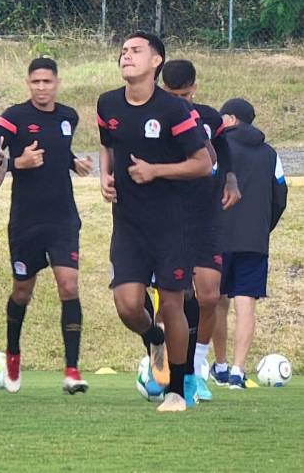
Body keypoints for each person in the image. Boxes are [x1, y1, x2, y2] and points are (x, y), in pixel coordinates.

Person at [97, 31, 212, 412]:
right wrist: (105, 176)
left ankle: (177, 390)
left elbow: (203, 163)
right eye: (123, 51)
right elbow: (106, 143)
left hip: (170, 224)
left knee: (173, 303)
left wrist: (156, 170)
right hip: (128, 223)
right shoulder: (108, 103)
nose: (126, 56)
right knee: (128, 305)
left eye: (135, 51)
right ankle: (154, 337)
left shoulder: (173, 110)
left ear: (156, 61)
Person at [0, 57, 93, 394]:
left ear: (57, 83)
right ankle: (12, 353)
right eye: (35, 82)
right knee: (22, 291)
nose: (41, 88)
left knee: (69, 286)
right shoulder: (13, 118)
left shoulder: (69, 116)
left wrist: (75, 162)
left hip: (63, 217)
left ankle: (72, 369)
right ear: (28, 83)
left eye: (47, 82)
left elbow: (58, 151)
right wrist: (15, 164)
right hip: (26, 220)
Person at [159, 59, 242, 401]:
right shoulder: (159, 116)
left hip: (206, 217)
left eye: (184, 93)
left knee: (209, 295)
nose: (180, 100)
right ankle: (164, 366)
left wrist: (232, 179)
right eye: (172, 94)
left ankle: (197, 368)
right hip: (169, 218)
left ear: (194, 86)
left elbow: (222, 149)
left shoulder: (208, 117)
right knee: (174, 300)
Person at [211, 98, 288, 390]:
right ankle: (237, 372)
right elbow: (280, 196)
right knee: (246, 306)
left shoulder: (218, 148)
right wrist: (262, 227)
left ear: (230, 119)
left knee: (217, 302)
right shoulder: (271, 153)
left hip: (217, 236)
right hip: (255, 240)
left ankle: (218, 366)